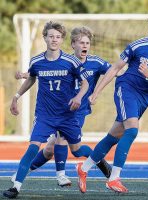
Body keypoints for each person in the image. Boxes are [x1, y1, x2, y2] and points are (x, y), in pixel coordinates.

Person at [76, 9, 148, 193]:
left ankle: (83, 169)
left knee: (113, 137)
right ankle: (114, 178)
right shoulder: (137, 46)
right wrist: (96, 93)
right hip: (126, 89)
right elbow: (115, 68)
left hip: (145, 97)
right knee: (131, 131)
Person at [10, 26, 112, 187]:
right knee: (52, 149)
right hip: (61, 108)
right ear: (72, 44)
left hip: (78, 109)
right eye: (81, 42)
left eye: (87, 43)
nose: (85, 46)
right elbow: (42, 72)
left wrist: (98, 91)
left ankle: (62, 174)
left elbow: (115, 70)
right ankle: (30, 172)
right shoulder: (66, 61)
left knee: (64, 143)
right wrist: (24, 76)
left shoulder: (95, 62)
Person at [3, 21, 92, 199]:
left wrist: (78, 97)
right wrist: (16, 97)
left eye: (58, 37)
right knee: (33, 148)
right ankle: (16, 187)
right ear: (44, 38)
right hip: (44, 115)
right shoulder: (36, 61)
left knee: (77, 150)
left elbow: (85, 83)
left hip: (66, 115)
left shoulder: (71, 61)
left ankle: (101, 161)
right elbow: (31, 78)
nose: (54, 40)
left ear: (62, 40)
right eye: (51, 36)